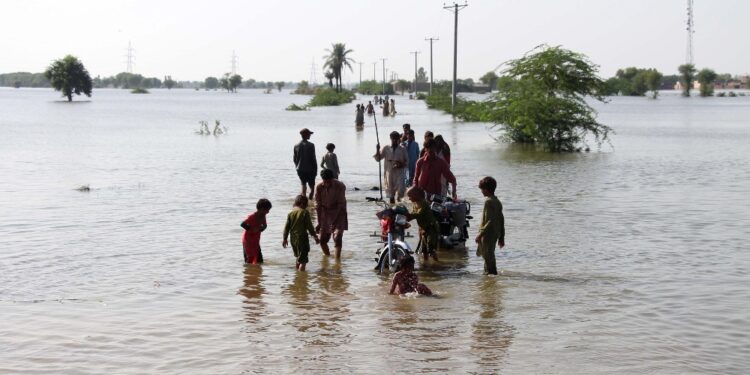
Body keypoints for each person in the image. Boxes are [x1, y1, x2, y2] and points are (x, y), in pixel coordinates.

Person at [314, 168, 348, 259]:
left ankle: (337, 261)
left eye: (328, 181)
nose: (326, 184)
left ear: (332, 179)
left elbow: (340, 205)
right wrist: (319, 223)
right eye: (324, 181)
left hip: (339, 212)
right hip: (325, 213)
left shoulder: (340, 186)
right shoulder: (319, 187)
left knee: (337, 237)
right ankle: (327, 258)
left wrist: (334, 221)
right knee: (322, 240)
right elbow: (318, 206)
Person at [475, 176, 505, 275]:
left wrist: (480, 234)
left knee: (487, 256)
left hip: (488, 233)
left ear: (486, 189)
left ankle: (491, 275)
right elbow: (501, 219)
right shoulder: (497, 201)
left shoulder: (488, 202)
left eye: (482, 189)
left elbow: (489, 220)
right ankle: (488, 278)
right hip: (496, 233)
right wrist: (502, 237)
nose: (481, 192)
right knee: (489, 255)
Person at [283, 195, 319, 271]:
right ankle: (301, 277)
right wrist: (315, 236)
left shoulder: (291, 213)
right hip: (302, 238)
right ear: (303, 204)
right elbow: (310, 227)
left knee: (298, 257)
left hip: (293, 239)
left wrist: (285, 239)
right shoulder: (304, 212)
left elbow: (286, 228)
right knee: (303, 261)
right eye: (306, 204)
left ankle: (297, 273)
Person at [405, 186, 440, 262]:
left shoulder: (424, 203)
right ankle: (425, 265)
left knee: (431, 249)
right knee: (424, 251)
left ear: (417, 195)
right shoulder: (415, 204)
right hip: (423, 229)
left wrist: (407, 216)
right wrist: (404, 218)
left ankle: (437, 264)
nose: (409, 199)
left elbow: (418, 214)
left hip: (431, 229)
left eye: (410, 196)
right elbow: (413, 214)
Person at [373, 131, 408, 204]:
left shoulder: (402, 149)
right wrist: (377, 149)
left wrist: (400, 164)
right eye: (393, 139)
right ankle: (392, 208)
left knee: (401, 191)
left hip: (399, 173)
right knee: (391, 194)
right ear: (390, 139)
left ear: (399, 139)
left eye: (396, 139)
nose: (394, 140)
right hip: (389, 173)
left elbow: (407, 162)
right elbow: (378, 159)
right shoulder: (386, 148)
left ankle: (400, 206)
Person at [240, 198, 272, 264]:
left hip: (256, 240)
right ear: (261, 209)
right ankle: (249, 271)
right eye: (267, 210)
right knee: (249, 258)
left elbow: (265, 226)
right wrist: (251, 230)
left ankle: (257, 272)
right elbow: (242, 224)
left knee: (259, 259)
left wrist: (260, 229)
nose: (268, 212)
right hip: (247, 240)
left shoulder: (263, 216)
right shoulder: (252, 217)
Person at [293, 128, 317, 200]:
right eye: (309, 134)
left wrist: (297, 167)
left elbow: (294, 159)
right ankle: (310, 201)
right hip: (310, 169)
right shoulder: (311, 145)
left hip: (300, 169)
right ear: (305, 135)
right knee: (312, 188)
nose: (310, 135)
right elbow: (313, 158)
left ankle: (303, 203)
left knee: (303, 186)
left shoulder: (296, 145)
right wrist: (315, 170)